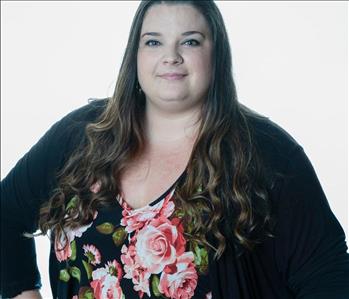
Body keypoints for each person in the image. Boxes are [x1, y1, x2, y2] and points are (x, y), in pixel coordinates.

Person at [1, 0, 349, 298]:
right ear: (134, 54)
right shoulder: (82, 135)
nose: (171, 57)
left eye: (191, 42)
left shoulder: (268, 155)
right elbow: (6, 212)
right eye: (153, 42)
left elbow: (328, 278)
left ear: (217, 54)